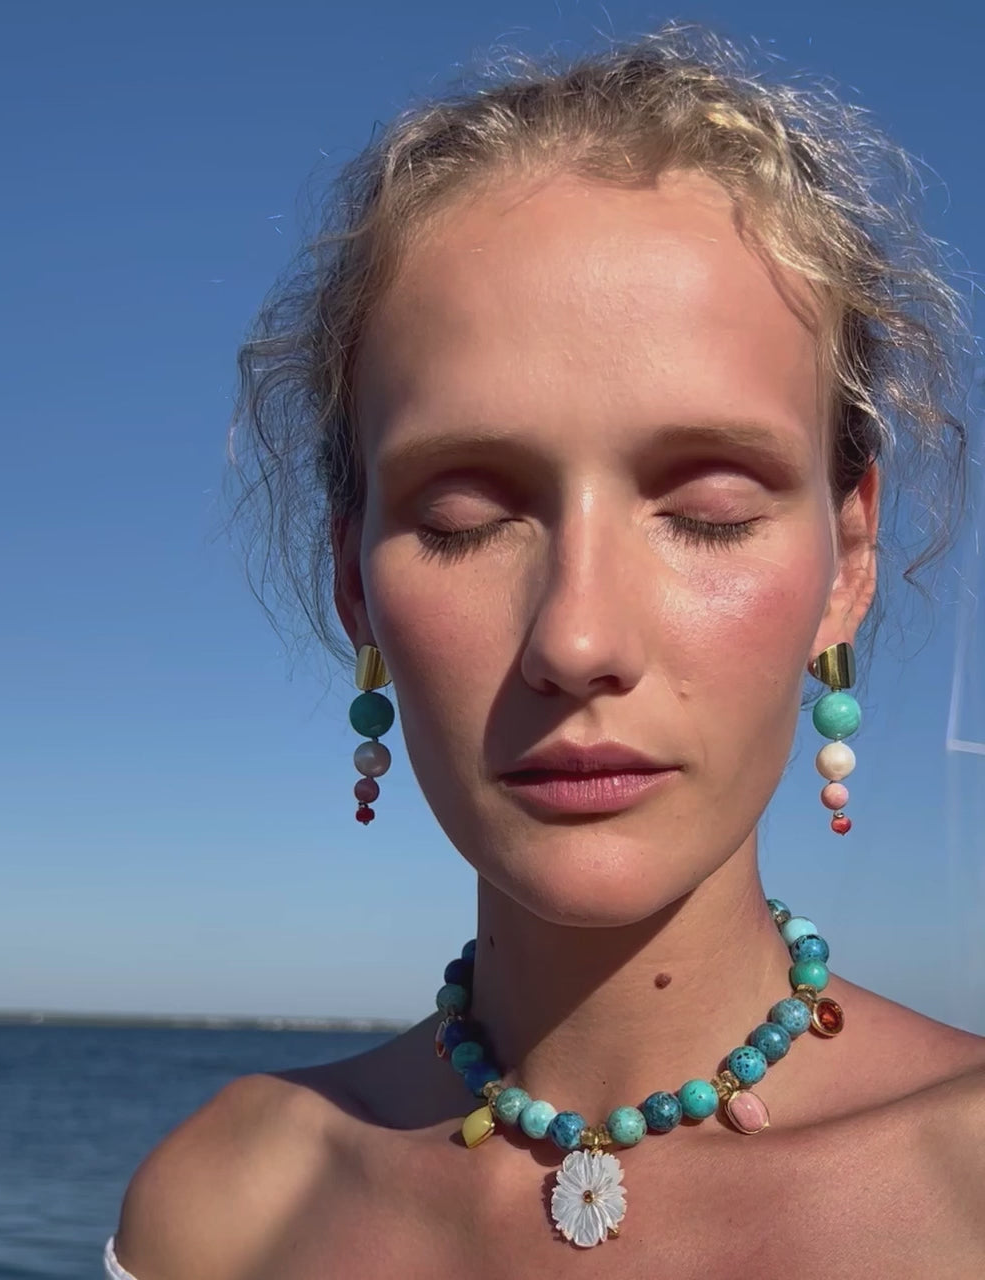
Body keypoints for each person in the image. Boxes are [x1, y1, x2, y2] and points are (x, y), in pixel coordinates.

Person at [104, 24, 985, 1279]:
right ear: (354, 583)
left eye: (710, 511)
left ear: (844, 565)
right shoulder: (223, 1212)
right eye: (463, 520)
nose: (577, 638)